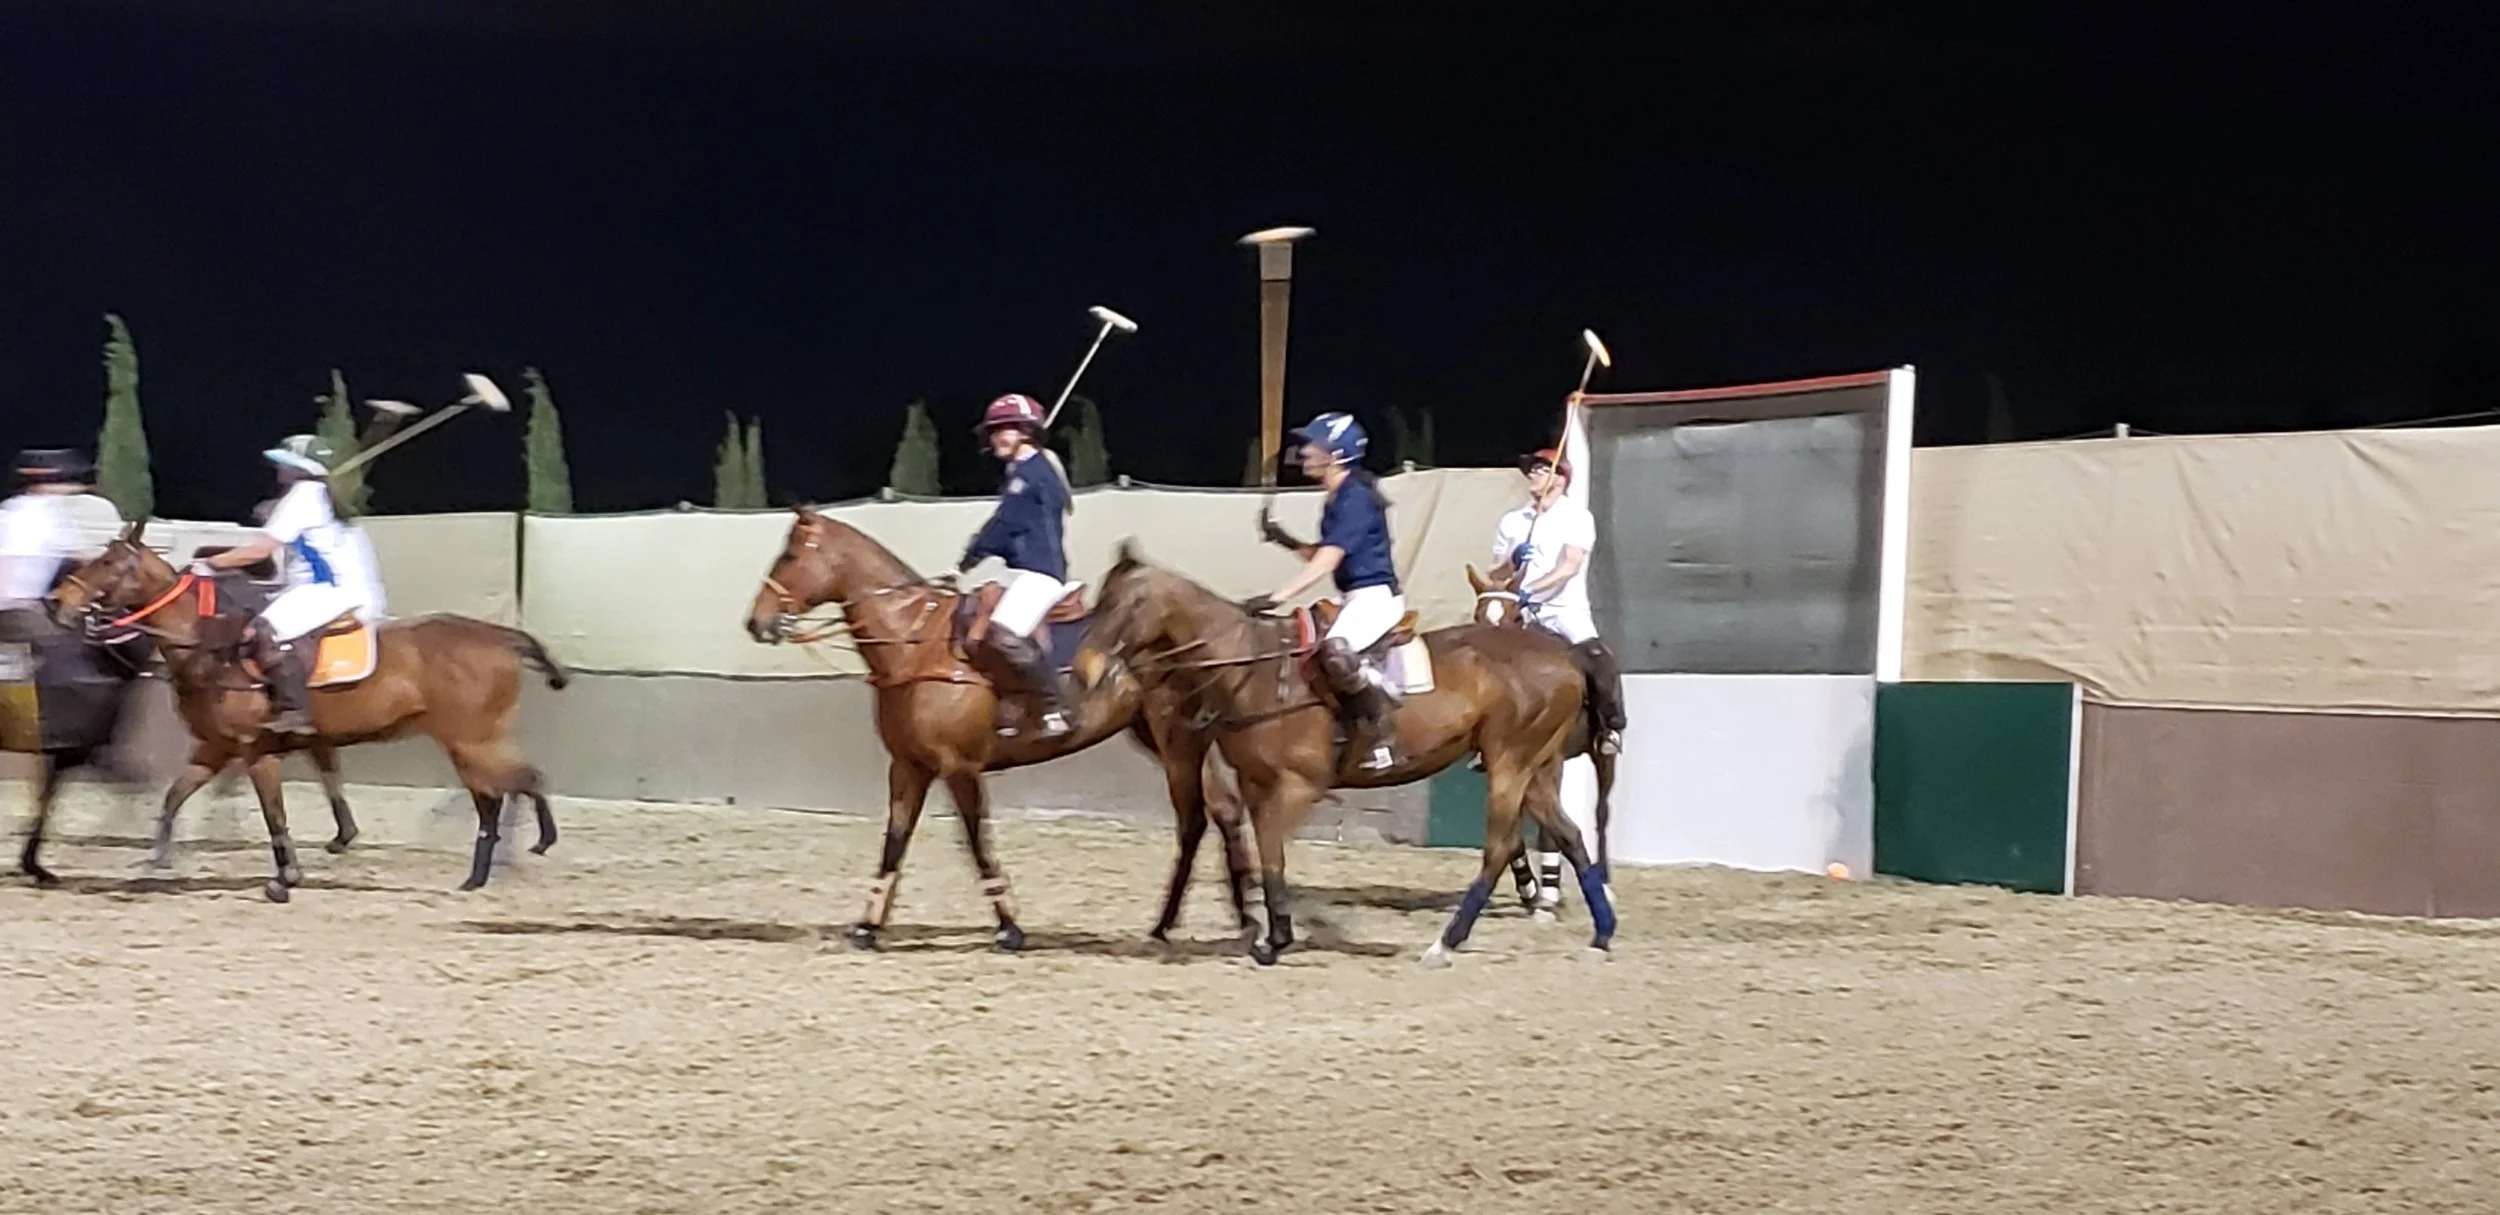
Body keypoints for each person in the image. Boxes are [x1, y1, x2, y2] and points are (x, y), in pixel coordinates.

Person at [1246, 411, 1404, 772]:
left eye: (1312, 446)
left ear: (1337, 455)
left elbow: (1327, 562)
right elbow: (1323, 553)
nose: (1304, 453)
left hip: (1375, 597)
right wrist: (1283, 539)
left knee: (1336, 651)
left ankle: (1380, 732)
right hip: (1352, 597)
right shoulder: (1337, 497)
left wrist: (1277, 597)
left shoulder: (1355, 499)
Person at [193, 435, 368, 735]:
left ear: (299, 468)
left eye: (284, 464)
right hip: (313, 585)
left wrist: (211, 564)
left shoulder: (304, 494)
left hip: (329, 588)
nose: (278, 469)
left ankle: (296, 709)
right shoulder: (317, 493)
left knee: (264, 630)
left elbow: (260, 551)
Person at [1491, 447, 1627, 756]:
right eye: (1532, 469)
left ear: (1560, 479)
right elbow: (1496, 572)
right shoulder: (1513, 521)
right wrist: (1511, 560)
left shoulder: (1576, 517)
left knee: (1598, 659)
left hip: (1563, 609)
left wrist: (1533, 590)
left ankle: (1611, 727)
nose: (1533, 474)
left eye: (1542, 469)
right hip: (1521, 611)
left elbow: (1569, 566)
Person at [959, 393, 1075, 739]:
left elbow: (1005, 523)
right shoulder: (1022, 472)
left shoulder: (1030, 475)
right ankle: (1010, 704)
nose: (995, 437)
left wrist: (972, 555)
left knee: (1003, 635)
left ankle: (1055, 706)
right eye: (993, 431)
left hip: (1041, 572)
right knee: (970, 622)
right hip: (1018, 570)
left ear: (1025, 431)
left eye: (1003, 430)